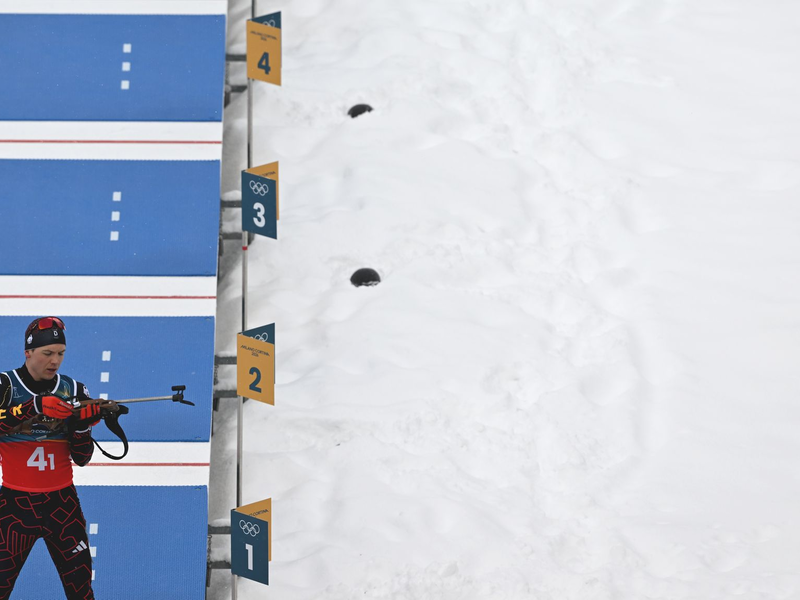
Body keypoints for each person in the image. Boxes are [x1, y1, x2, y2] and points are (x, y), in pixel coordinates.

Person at [0, 317, 102, 600]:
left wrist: (82, 427)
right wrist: (31, 407)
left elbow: (82, 458)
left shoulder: (75, 390)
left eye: (60, 353)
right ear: (28, 352)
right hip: (15, 508)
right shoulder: (5, 385)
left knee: (81, 591)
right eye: (47, 353)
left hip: (63, 506)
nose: (55, 361)